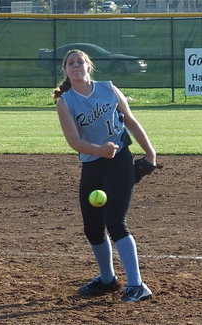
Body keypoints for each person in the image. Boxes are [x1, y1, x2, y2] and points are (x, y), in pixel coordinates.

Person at [54, 49, 157, 302]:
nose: (76, 65)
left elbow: (130, 121)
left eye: (80, 61)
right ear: (66, 71)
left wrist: (150, 154)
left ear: (89, 67)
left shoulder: (108, 88)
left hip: (119, 160)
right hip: (93, 164)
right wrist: (99, 150)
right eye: (71, 63)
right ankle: (108, 280)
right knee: (92, 227)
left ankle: (137, 285)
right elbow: (74, 141)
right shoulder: (65, 101)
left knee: (115, 222)